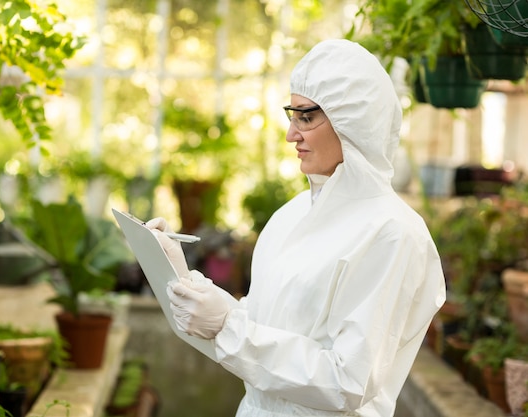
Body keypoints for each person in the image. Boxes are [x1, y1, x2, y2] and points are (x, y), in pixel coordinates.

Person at [146, 39, 446, 417]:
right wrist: (183, 279)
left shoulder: (392, 232)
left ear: (352, 120)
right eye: (292, 116)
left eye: (305, 117)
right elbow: (259, 328)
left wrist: (228, 327)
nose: (291, 135)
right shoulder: (292, 215)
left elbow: (348, 382)